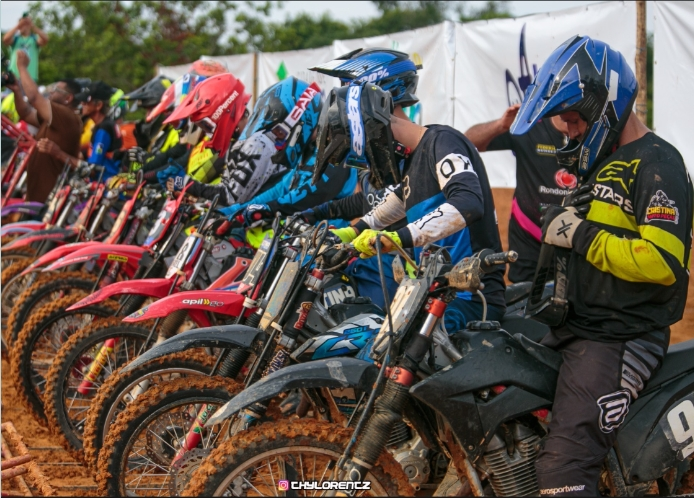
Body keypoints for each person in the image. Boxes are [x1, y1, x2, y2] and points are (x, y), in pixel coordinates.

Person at [510, 36, 693, 496]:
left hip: (621, 335)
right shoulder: (605, 160)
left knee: (563, 473)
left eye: (574, 120)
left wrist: (581, 235)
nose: (568, 132)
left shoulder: (657, 163)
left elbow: (663, 261)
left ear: (604, 106)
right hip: (581, 325)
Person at [315, 83, 506, 332]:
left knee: (399, 347)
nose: (368, 167)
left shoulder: (443, 141)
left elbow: (467, 202)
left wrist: (397, 237)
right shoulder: (412, 161)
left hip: (470, 297)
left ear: (373, 134)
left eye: (364, 157)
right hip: (435, 294)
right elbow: (393, 204)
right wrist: (353, 231)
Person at [465, 105, 571, 282]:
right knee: (523, 296)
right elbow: (469, 142)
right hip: (529, 239)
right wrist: (500, 125)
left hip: (575, 240)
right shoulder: (530, 125)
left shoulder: (595, 132)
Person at [5, 50, 81, 202]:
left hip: (49, 203)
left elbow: (34, 97)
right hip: (36, 198)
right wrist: (17, 90)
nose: (51, 92)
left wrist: (22, 67)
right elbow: (26, 113)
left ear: (68, 98)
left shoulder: (68, 117)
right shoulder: (54, 119)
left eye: (56, 90)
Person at [37, 81, 123, 179]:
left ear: (98, 105)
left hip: (105, 182)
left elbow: (91, 169)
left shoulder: (103, 130)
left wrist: (58, 153)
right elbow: (84, 155)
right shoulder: (101, 125)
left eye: (86, 102)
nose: (82, 103)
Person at [2, 13, 48, 82]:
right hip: (14, 77)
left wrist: (33, 26)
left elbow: (45, 39)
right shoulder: (16, 38)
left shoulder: (34, 39)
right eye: (21, 24)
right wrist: (18, 26)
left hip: (30, 77)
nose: (22, 26)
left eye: (24, 24)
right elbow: (5, 39)